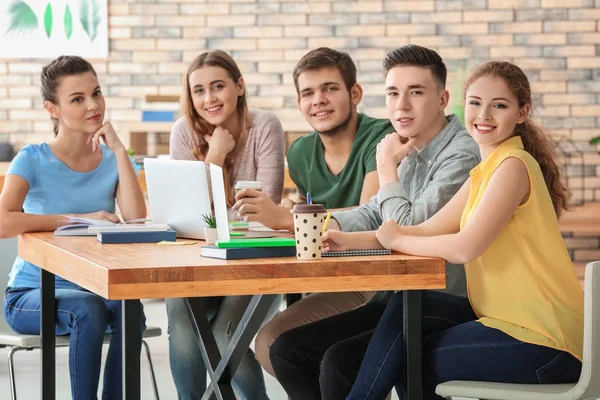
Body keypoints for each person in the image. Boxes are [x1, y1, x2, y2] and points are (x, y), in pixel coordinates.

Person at [345, 61, 584, 400]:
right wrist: (343, 240)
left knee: (409, 359)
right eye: (474, 102)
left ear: (522, 112)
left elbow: (464, 248)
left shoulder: (513, 167)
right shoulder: (486, 171)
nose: (483, 114)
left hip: (548, 343)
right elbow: (424, 230)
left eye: (498, 105)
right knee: (407, 313)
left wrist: (396, 239)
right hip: (509, 323)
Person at [264, 44, 481, 393]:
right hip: (399, 297)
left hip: (446, 300)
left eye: (416, 92)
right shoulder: (410, 148)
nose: (402, 105)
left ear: (442, 99)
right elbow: (373, 211)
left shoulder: (462, 154)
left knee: (340, 364)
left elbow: (410, 227)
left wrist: (385, 167)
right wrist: (325, 228)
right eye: (394, 93)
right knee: (289, 350)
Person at [0, 55, 147, 400]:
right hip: (29, 296)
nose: (93, 105)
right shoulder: (33, 159)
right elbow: (4, 221)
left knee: (130, 309)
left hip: (94, 288)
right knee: (88, 308)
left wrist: (120, 150)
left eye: (96, 93)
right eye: (78, 99)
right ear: (53, 109)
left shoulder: (111, 160)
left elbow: (137, 220)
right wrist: (75, 220)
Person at [165, 49, 285, 400]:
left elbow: (264, 212)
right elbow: (187, 215)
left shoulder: (265, 126)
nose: (208, 98)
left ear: (240, 86)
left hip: (254, 260)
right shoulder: (183, 133)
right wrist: (215, 155)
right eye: (198, 90)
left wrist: (216, 209)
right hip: (203, 260)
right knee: (179, 311)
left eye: (218, 86)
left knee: (223, 335)